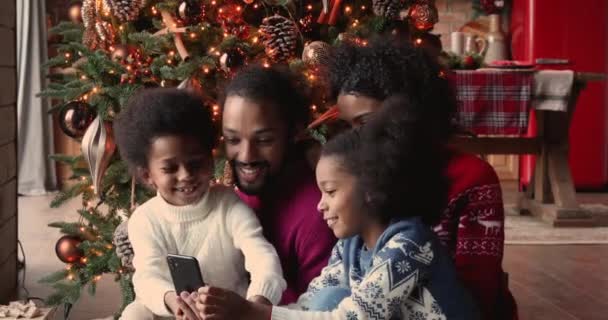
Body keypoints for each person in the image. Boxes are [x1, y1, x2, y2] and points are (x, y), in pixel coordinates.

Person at [191, 95, 480, 319]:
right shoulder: (349, 247)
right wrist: (244, 311)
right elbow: (307, 306)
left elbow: (354, 317)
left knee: (333, 303)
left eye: (330, 191)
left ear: (371, 188)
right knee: (326, 297)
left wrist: (251, 314)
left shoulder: (409, 243)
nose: (319, 205)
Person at [319, 38, 516, 319]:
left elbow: (476, 296)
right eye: (347, 127)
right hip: (380, 308)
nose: (355, 140)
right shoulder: (358, 183)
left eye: (365, 123)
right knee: (331, 296)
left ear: (408, 114)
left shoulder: (473, 177)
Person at [113, 88, 286, 319]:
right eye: (170, 168)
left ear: (210, 159)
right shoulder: (145, 220)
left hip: (228, 313)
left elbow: (262, 256)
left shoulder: (227, 205)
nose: (185, 175)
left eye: (195, 164)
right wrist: (172, 302)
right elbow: (147, 277)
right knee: (134, 313)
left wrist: (255, 305)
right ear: (147, 175)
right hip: (171, 312)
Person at [220, 65, 337, 304]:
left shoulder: (318, 213)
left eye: (263, 140)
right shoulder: (230, 197)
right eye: (233, 139)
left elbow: (322, 310)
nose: (246, 155)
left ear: (293, 132)